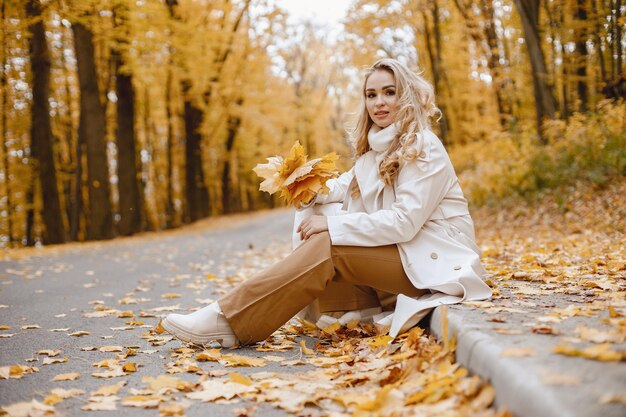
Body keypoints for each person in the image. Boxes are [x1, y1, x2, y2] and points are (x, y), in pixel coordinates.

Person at [161, 58, 492, 348]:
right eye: (371, 94)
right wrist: (307, 188)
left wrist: (331, 226)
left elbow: (403, 223)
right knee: (319, 213)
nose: (380, 102)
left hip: (435, 265)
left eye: (389, 92)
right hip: (409, 261)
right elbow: (339, 187)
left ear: (406, 95)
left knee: (330, 241)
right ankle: (348, 306)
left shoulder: (422, 146)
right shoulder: (374, 153)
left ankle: (229, 318)